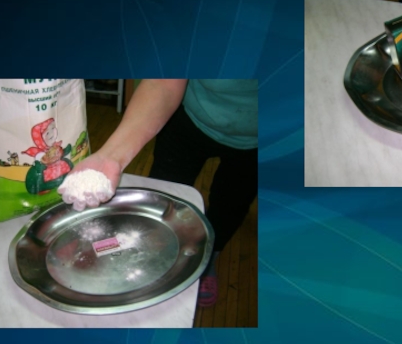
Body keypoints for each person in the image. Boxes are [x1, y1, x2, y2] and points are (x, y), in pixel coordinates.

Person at [59, 79, 257, 308]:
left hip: (262, 140)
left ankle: (209, 256)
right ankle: (152, 245)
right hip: (190, 118)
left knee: (231, 205)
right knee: (162, 198)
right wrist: (110, 156)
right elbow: (163, 82)